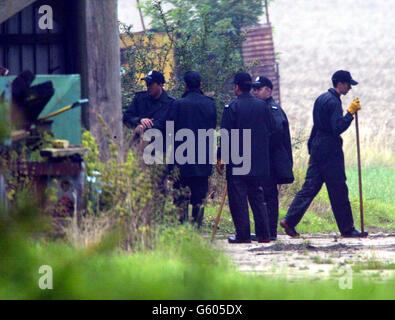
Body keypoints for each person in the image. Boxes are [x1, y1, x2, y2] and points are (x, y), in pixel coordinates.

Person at [280, 70, 368, 238]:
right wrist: (350, 113)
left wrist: (311, 151)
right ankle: (348, 229)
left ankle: (289, 220)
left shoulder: (321, 99)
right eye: (348, 84)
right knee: (338, 190)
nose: (350, 88)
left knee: (310, 187)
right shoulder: (334, 102)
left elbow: (316, 126)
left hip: (317, 147)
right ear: (340, 84)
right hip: (330, 151)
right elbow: (337, 128)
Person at [217, 72, 275, 243]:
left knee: (238, 199)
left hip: (238, 161)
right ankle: (264, 235)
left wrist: (221, 157)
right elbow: (271, 128)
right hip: (258, 161)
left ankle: (243, 235)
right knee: (257, 197)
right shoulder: (262, 106)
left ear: (236, 87)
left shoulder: (232, 107)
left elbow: (226, 135)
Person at [166, 71, 217, 227]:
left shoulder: (177, 104)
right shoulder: (210, 104)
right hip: (203, 156)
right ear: (201, 85)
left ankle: (181, 227)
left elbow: (170, 130)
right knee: (199, 197)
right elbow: (213, 127)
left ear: (185, 86)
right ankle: (197, 227)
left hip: (182, 158)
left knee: (180, 197)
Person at [252, 76, 294, 240]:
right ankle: (266, 231)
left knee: (268, 196)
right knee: (264, 195)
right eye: (253, 89)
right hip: (265, 161)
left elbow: (276, 132)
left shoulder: (272, 108)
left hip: (271, 161)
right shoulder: (262, 108)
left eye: (258, 89)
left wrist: (260, 145)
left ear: (268, 91)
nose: (255, 92)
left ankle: (270, 231)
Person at [123, 70, 175, 136]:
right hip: (139, 142)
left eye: (150, 84)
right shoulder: (140, 98)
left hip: (160, 143)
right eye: (147, 84)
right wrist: (139, 120)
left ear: (160, 85)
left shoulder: (170, 103)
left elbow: (170, 125)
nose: (148, 87)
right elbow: (126, 117)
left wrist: (148, 125)